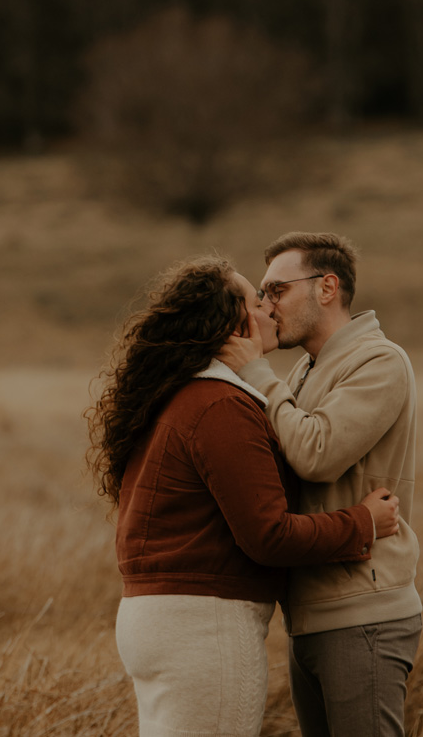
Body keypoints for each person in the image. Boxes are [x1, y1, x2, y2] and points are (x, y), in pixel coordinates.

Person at [87, 256, 401, 737]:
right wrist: (362, 522)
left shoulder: (181, 394)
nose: (271, 310)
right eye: (259, 300)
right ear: (237, 324)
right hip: (203, 623)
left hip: (160, 617)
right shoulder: (220, 405)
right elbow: (268, 535)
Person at [218, 232, 421, 737]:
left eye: (277, 291)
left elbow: (316, 454)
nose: (265, 306)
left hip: (362, 614)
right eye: (263, 293)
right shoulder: (310, 367)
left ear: (327, 288)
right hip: (312, 614)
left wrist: (257, 373)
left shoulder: (380, 361)